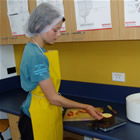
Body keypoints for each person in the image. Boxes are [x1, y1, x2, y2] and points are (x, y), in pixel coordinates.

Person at [18, 3, 103, 140]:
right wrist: (86, 106)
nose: (59, 34)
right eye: (55, 30)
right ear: (39, 26)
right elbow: (52, 97)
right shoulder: (36, 56)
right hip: (35, 118)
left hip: (45, 109)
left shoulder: (35, 48)